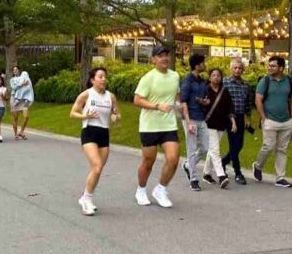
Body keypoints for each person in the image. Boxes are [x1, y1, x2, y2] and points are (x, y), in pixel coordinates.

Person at [132, 45, 181, 208]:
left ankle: (161, 189)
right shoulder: (148, 78)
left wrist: (180, 107)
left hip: (168, 125)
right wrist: (157, 106)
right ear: (154, 59)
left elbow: (177, 96)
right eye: (160, 56)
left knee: (173, 159)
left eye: (166, 55)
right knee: (148, 162)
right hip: (149, 126)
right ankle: (141, 189)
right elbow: (137, 100)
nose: (164, 58)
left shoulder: (175, 76)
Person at [70, 67, 120, 215]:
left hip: (104, 133)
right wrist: (86, 116)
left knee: (97, 170)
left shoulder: (111, 97)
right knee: (97, 166)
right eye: (100, 76)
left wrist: (116, 117)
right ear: (93, 80)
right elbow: (72, 113)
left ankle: (85, 196)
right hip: (89, 132)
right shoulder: (86, 94)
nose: (103, 79)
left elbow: (117, 113)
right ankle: (87, 199)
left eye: (105, 76)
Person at [253, 57, 292, 188]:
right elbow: (258, 100)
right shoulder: (265, 81)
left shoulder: (288, 81)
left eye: (273, 66)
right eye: (269, 65)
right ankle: (258, 166)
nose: (269, 67)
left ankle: (280, 177)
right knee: (268, 146)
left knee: (282, 149)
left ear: (281, 68)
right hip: (270, 120)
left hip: (286, 121)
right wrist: (263, 118)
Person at [178, 53, 211, 192]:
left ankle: (187, 165)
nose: (205, 65)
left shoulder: (202, 81)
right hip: (190, 118)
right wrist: (187, 121)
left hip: (201, 118)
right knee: (191, 149)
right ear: (197, 65)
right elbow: (182, 101)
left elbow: (206, 98)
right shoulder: (187, 82)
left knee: (204, 148)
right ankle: (193, 179)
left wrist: (205, 101)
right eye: (203, 63)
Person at [221, 58, 254, 183]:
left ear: (243, 70)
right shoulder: (225, 82)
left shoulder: (245, 85)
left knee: (239, 145)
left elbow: (248, 103)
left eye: (240, 68)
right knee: (234, 144)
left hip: (240, 117)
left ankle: (222, 162)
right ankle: (238, 173)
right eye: (235, 68)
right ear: (231, 68)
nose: (237, 70)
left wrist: (248, 118)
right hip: (229, 117)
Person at [202, 68, 233, 189]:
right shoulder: (205, 90)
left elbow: (230, 107)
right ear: (210, 77)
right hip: (208, 124)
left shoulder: (224, 91)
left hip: (221, 123)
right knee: (215, 150)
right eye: (213, 75)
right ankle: (221, 175)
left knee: (213, 149)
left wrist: (233, 121)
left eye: (218, 75)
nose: (216, 77)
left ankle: (206, 173)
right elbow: (199, 103)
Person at [9, 64, 35, 140]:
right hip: (14, 98)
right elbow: (14, 88)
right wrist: (21, 84)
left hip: (24, 99)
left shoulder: (24, 77)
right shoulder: (12, 79)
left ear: (19, 70)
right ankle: (16, 134)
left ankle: (21, 132)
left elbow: (28, 85)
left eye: (16, 70)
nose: (15, 71)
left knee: (26, 117)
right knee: (15, 117)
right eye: (14, 70)